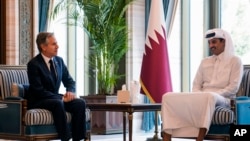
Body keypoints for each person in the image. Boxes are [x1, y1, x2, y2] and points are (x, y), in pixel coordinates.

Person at [161, 28, 243, 141]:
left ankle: (199, 138)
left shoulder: (235, 61)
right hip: (203, 97)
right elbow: (196, 85)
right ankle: (167, 138)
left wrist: (210, 94)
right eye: (209, 42)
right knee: (167, 96)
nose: (210, 45)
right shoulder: (205, 61)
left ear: (224, 41)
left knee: (209, 97)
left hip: (224, 99)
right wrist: (199, 96)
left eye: (214, 42)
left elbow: (233, 88)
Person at [26, 32, 88, 141]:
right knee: (58, 103)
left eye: (57, 43)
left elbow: (70, 81)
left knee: (80, 103)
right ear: (43, 47)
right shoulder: (34, 64)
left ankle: (78, 138)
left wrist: (70, 92)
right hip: (39, 99)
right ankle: (65, 138)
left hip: (54, 99)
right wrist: (61, 98)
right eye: (54, 44)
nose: (57, 46)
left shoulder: (59, 61)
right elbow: (38, 90)